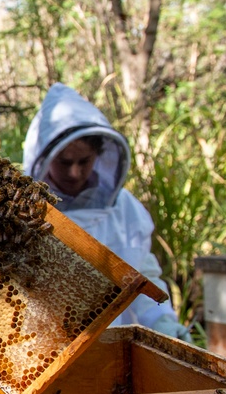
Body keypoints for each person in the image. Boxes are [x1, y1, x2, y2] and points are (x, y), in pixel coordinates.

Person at [22, 82, 191, 341]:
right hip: (36, 345)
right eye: (65, 162)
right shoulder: (22, 208)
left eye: (84, 161)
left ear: (99, 155)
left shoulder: (125, 210)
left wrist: (164, 322)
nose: (75, 172)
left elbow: (141, 275)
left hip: (108, 346)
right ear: (45, 158)